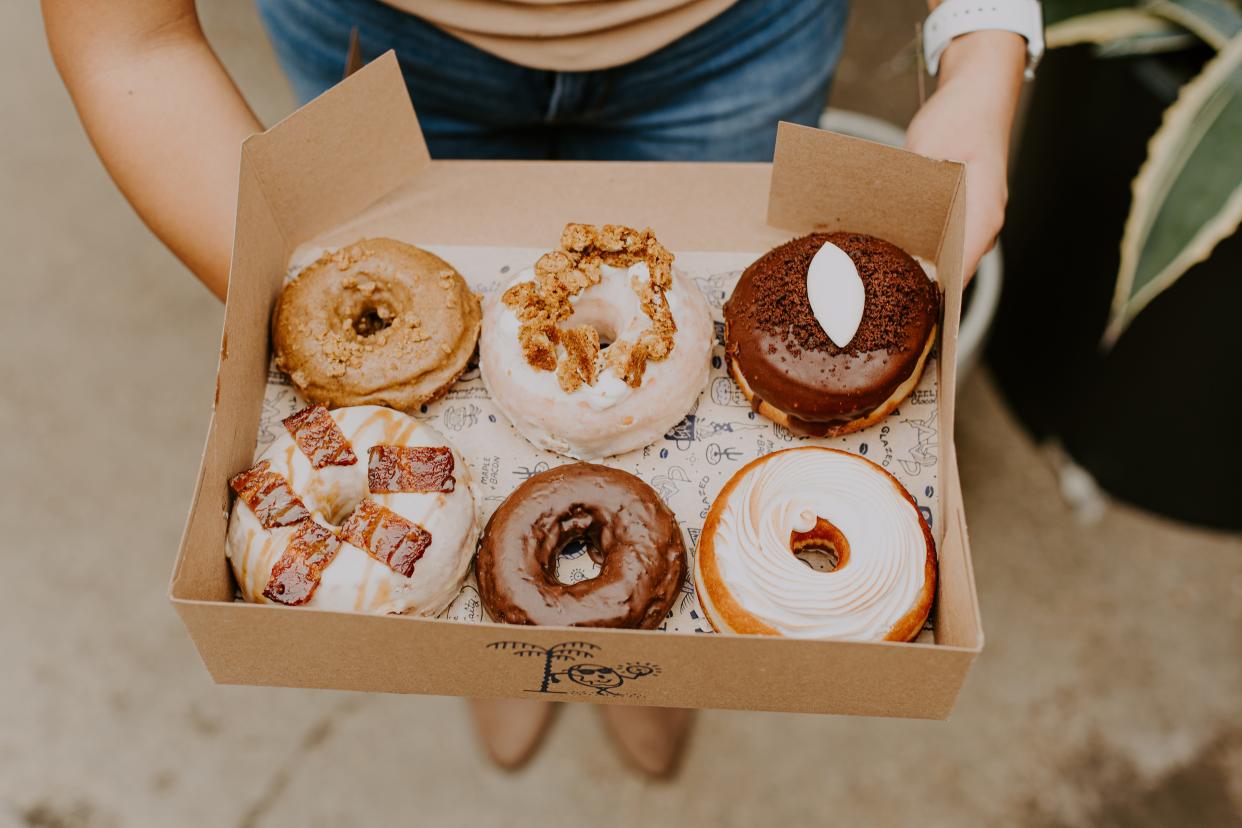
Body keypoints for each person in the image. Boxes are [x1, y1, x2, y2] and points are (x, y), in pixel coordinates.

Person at [42, 0, 1027, 776]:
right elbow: (127, 37)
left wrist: (983, 51)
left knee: (642, 628)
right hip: (381, 42)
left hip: (740, 34)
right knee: (460, 572)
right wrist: (297, 305)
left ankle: (645, 668)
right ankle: (499, 629)